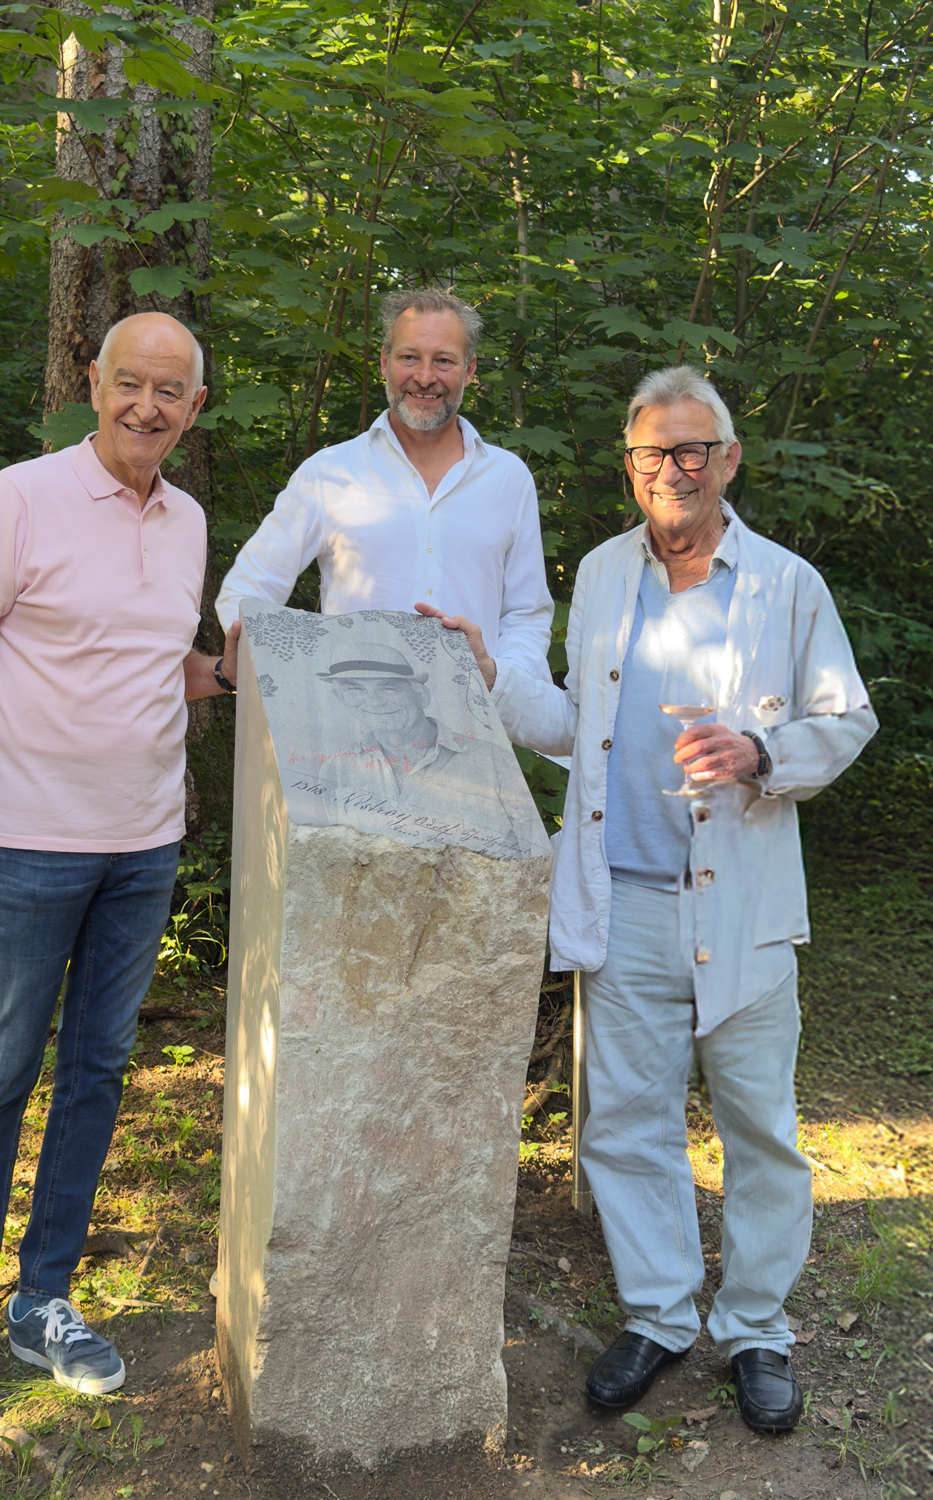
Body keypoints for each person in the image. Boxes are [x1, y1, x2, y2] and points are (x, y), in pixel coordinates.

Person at [420, 366, 876, 1434]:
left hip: (741, 902)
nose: (671, 470)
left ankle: (756, 1325)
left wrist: (762, 749)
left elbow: (844, 719)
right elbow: (579, 720)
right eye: (649, 454)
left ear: (726, 460)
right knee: (623, 1125)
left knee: (757, 1127)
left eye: (690, 450)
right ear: (628, 469)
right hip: (618, 895)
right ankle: (662, 1313)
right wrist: (488, 672)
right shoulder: (601, 573)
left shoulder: (784, 584)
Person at [0, 312, 239, 1456]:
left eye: (171, 392)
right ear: (91, 382)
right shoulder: (20, 498)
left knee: (96, 1071)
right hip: (24, 847)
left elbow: (158, 667)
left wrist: (259, 665)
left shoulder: (188, 518)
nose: (147, 407)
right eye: (129, 385)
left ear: (196, 408)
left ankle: (40, 1297)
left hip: (143, 848)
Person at [215, 288, 553, 683]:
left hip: (475, 726)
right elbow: (248, 591)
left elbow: (525, 614)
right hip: (349, 731)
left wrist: (501, 678)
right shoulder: (328, 474)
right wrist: (295, 681)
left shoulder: (509, 479)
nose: (425, 378)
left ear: (470, 370)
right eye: (409, 357)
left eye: (443, 361)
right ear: (383, 362)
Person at [301, 641, 526, 857]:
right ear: (340, 698)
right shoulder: (336, 769)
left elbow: (531, 854)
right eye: (356, 689)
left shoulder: (493, 761)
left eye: (389, 688)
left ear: (421, 695)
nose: (375, 702)